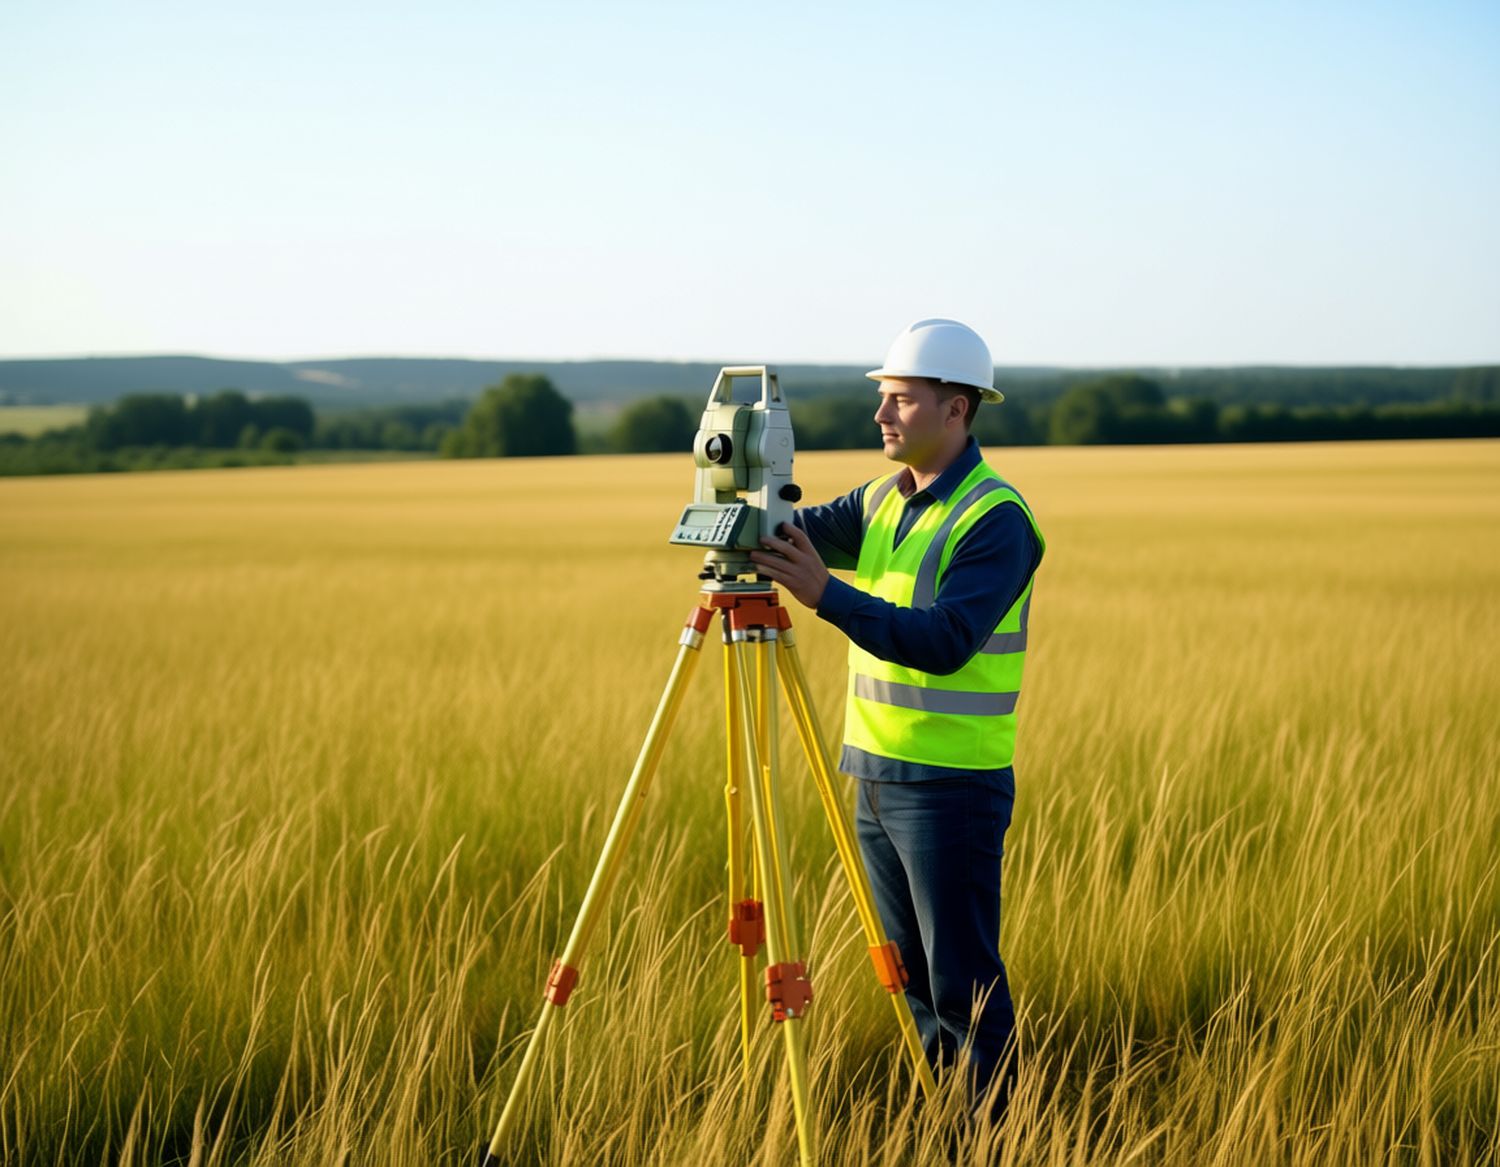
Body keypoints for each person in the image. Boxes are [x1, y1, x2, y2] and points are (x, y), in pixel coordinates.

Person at [748, 318, 1045, 1122]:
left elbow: (947, 640)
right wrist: (735, 498)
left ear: (956, 408)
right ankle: (942, 1118)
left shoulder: (996, 518)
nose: (881, 416)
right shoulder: (882, 497)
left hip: (950, 786)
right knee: (909, 981)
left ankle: (989, 1135)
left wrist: (826, 595)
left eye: (901, 400)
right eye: (882, 398)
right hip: (872, 777)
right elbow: (785, 534)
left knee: (962, 985)